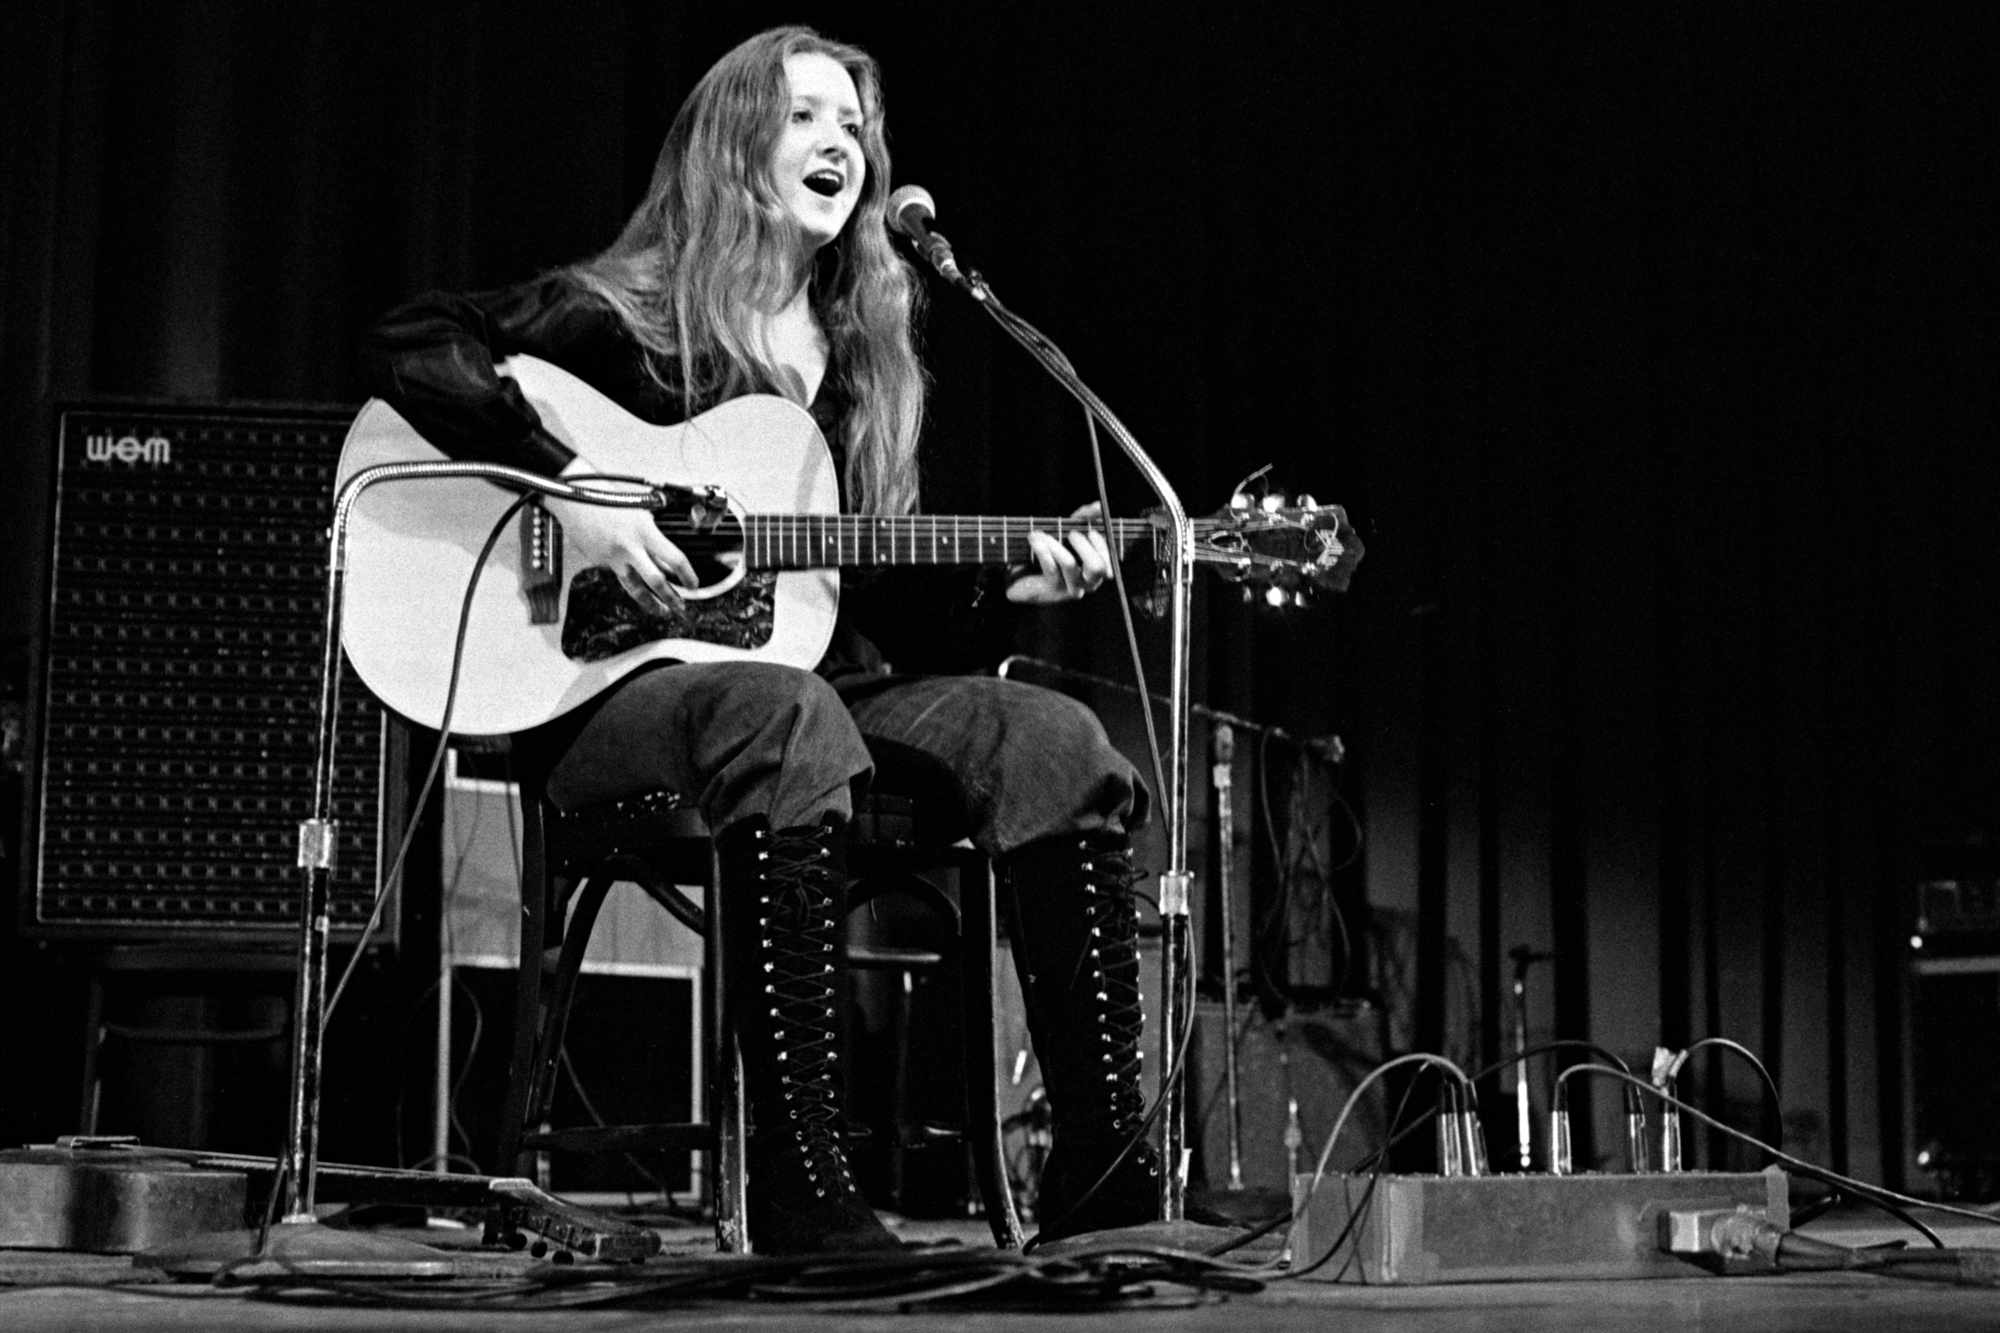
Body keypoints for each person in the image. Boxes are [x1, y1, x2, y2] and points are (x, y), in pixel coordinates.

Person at [361, 25, 1158, 1255]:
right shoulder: (616, 317)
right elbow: (411, 343)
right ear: (734, 145)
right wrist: (571, 490)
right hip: (602, 695)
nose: (841, 142)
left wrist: (1016, 586)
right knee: (784, 718)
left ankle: (1104, 1183)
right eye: (805, 117)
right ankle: (804, 1195)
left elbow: (859, 607)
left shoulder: (857, 374)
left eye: (854, 125)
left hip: (805, 694)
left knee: (1051, 736)